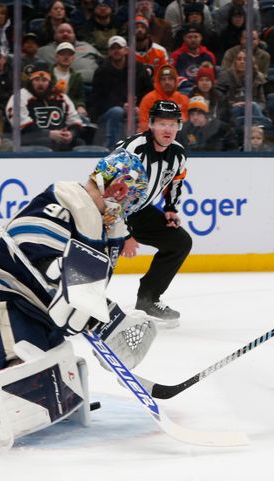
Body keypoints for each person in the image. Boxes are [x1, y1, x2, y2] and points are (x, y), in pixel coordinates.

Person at [0, 150, 156, 455]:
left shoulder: (107, 229)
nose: (130, 204)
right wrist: (80, 295)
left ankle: (56, 401)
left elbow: (82, 289)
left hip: (39, 314)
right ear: (118, 187)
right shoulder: (64, 201)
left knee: (49, 377)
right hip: (1, 299)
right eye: (131, 195)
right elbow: (35, 248)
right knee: (22, 369)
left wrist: (96, 316)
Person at [114, 100, 191, 326]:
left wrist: (169, 208)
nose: (168, 129)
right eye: (162, 123)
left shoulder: (177, 153)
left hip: (140, 211)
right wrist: (124, 234)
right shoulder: (132, 150)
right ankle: (83, 307)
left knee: (179, 242)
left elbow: (177, 181)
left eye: (173, 124)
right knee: (102, 257)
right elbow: (107, 194)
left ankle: (148, 299)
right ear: (150, 125)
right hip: (107, 214)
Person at [90, 35, 152, 148]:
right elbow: (97, 100)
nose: (116, 51)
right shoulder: (102, 71)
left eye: (119, 48)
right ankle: (112, 148)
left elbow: (148, 92)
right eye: (113, 48)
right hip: (108, 112)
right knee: (117, 111)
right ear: (109, 52)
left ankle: (145, 148)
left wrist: (140, 106)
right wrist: (121, 106)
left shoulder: (138, 68)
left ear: (126, 50)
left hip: (137, 108)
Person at [5, 62, 84, 151]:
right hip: (29, 138)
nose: (40, 83)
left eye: (44, 80)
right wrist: (49, 134)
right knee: (46, 142)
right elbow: (21, 125)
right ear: (31, 81)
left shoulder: (61, 97)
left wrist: (71, 134)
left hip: (58, 138)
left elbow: (76, 121)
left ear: (49, 82)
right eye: (37, 80)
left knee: (79, 143)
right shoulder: (20, 96)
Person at [138, 64, 189, 132]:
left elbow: (188, 123)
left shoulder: (184, 99)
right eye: (163, 79)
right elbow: (144, 124)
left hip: (179, 137)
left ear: (175, 80)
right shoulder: (149, 99)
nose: (167, 82)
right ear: (159, 82)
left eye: (170, 79)